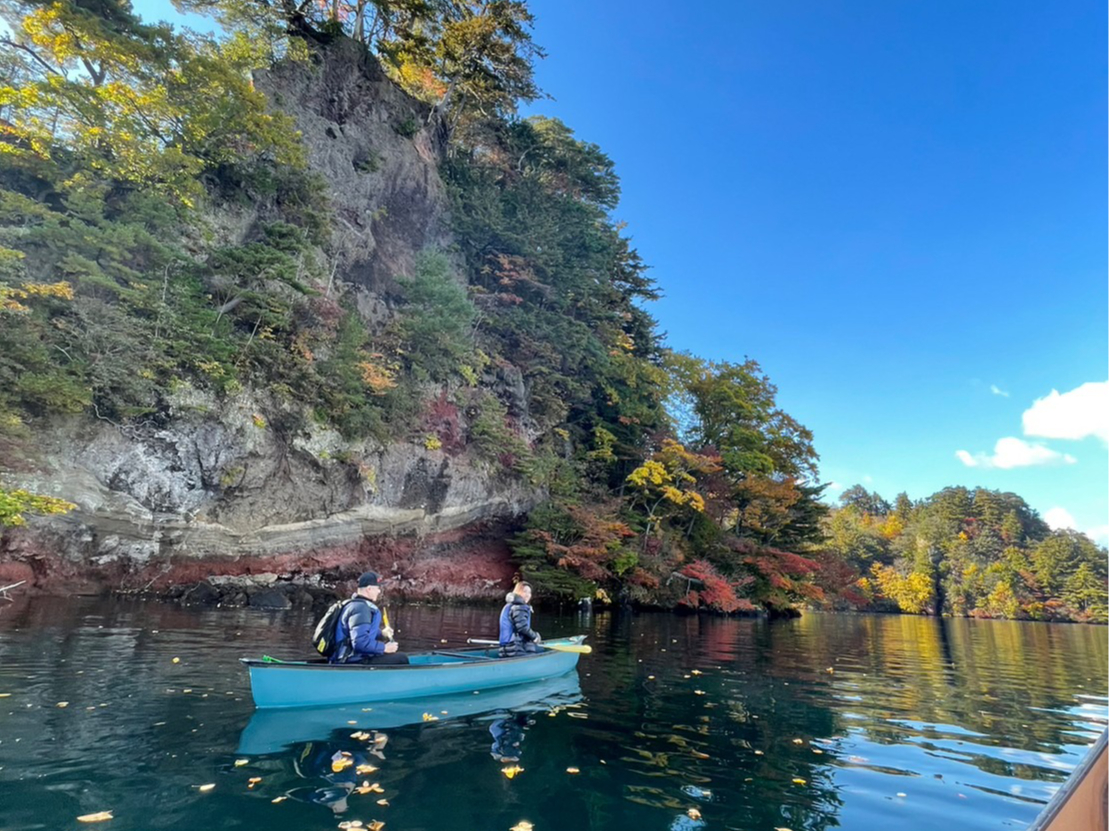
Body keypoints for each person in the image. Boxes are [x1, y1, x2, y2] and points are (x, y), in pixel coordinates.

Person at [331, 571, 409, 664]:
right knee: (402, 658)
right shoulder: (360, 609)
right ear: (369, 589)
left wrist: (382, 633)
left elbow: (360, 631)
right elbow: (360, 643)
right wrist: (384, 648)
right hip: (353, 661)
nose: (379, 591)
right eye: (378, 588)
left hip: (353, 658)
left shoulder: (355, 605)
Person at [498, 580, 542, 657]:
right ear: (518, 592)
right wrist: (535, 637)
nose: (528, 595)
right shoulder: (519, 607)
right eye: (525, 591)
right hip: (516, 648)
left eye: (529, 592)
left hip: (506, 649)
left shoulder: (510, 605)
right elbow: (522, 627)